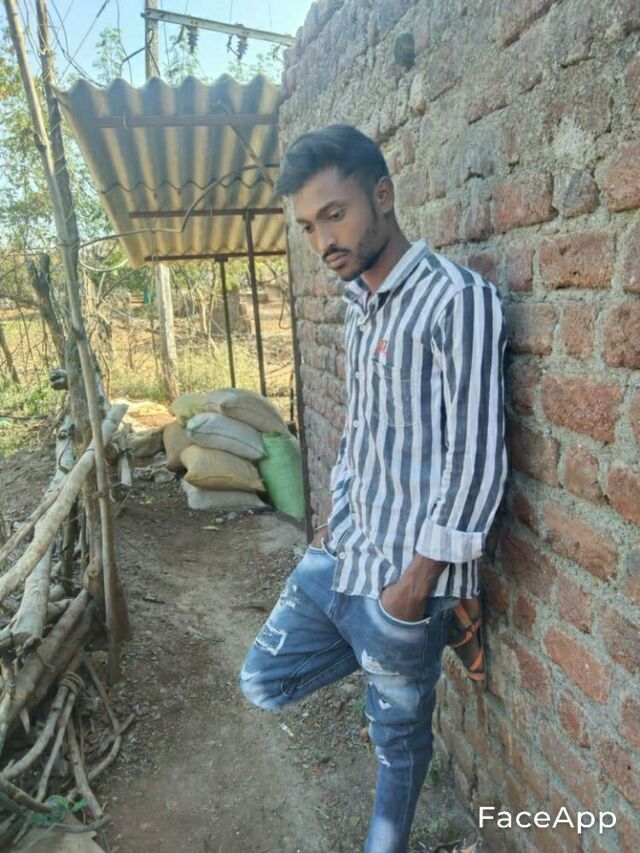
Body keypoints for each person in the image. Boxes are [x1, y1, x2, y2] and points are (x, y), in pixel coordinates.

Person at [239, 124, 507, 853]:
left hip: (401, 582)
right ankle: (432, 636)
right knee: (261, 680)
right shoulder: (357, 303)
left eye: (335, 214)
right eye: (307, 225)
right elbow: (362, 431)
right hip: (340, 558)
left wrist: (413, 591)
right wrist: (331, 522)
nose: (322, 239)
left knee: (395, 753)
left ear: (382, 196)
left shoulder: (457, 300)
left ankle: (426, 628)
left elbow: (476, 459)